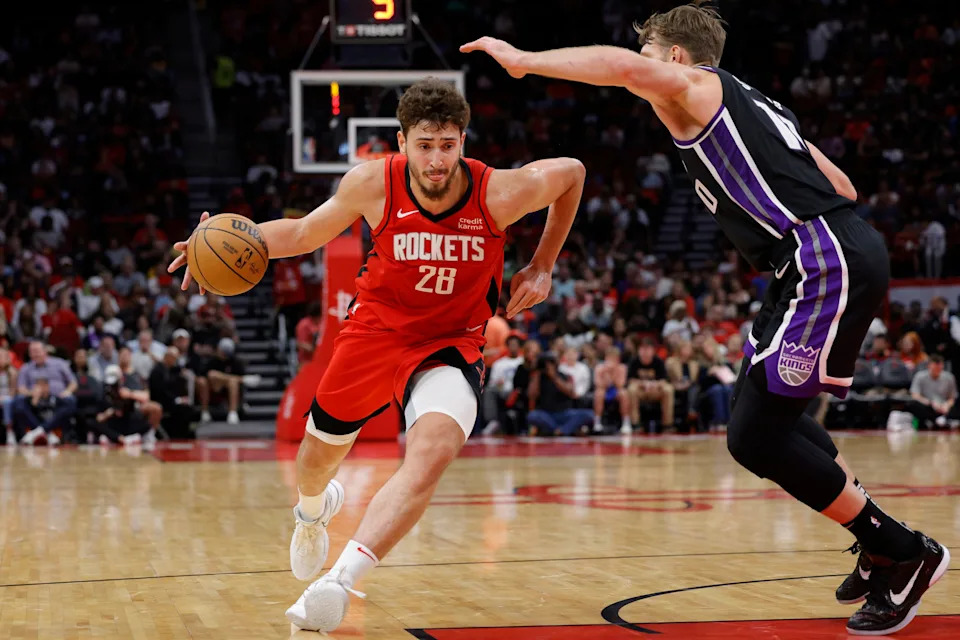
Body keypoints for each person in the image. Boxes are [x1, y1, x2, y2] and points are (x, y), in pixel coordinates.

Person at [463, 3, 947, 635]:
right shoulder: (755, 103)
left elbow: (617, 68)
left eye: (651, 58)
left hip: (820, 258)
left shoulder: (699, 87)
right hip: (813, 257)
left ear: (676, 58)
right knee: (766, 413)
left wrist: (525, 62)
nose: (643, 71)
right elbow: (846, 186)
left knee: (755, 437)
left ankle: (903, 551)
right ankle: (884, 544)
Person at [168, 78, 585, 632]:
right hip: (373, 336)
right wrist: (216, 242)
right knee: (315, 460)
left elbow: (573, 173)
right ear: (402, 140)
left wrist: (543, 264)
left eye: (447, 144)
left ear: (463, 140)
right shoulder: (374, 182)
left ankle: (337, 583)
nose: (436, 159)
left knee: (431, 453)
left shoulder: (498, 193)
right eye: (424, 145)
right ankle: (312, 512)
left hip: (450, 344)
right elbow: (301, 231)